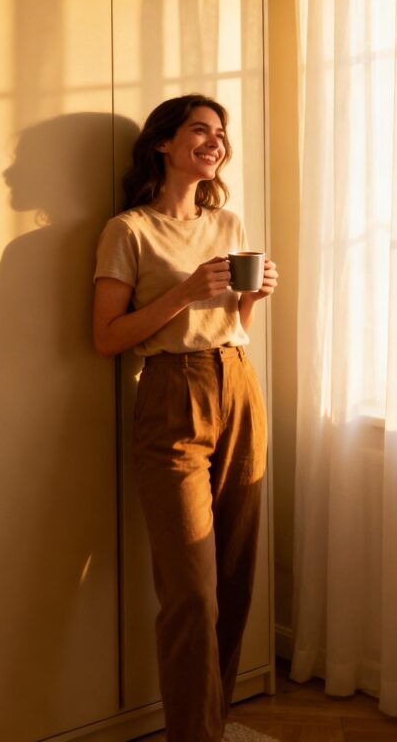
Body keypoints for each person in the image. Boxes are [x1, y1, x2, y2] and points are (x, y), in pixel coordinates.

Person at [93, 94, 278, 742]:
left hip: (238, 383)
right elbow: (107, 337)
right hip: (172, 394)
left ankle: (212, 722)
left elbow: (231, 324)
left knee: (232, 574)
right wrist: (183, 292)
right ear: (163, 145)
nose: (214, 140)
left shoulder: (227, 223)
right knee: (191, 593)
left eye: (220, 132)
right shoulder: (128, 230)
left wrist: (249, 299)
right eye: (199, 129)